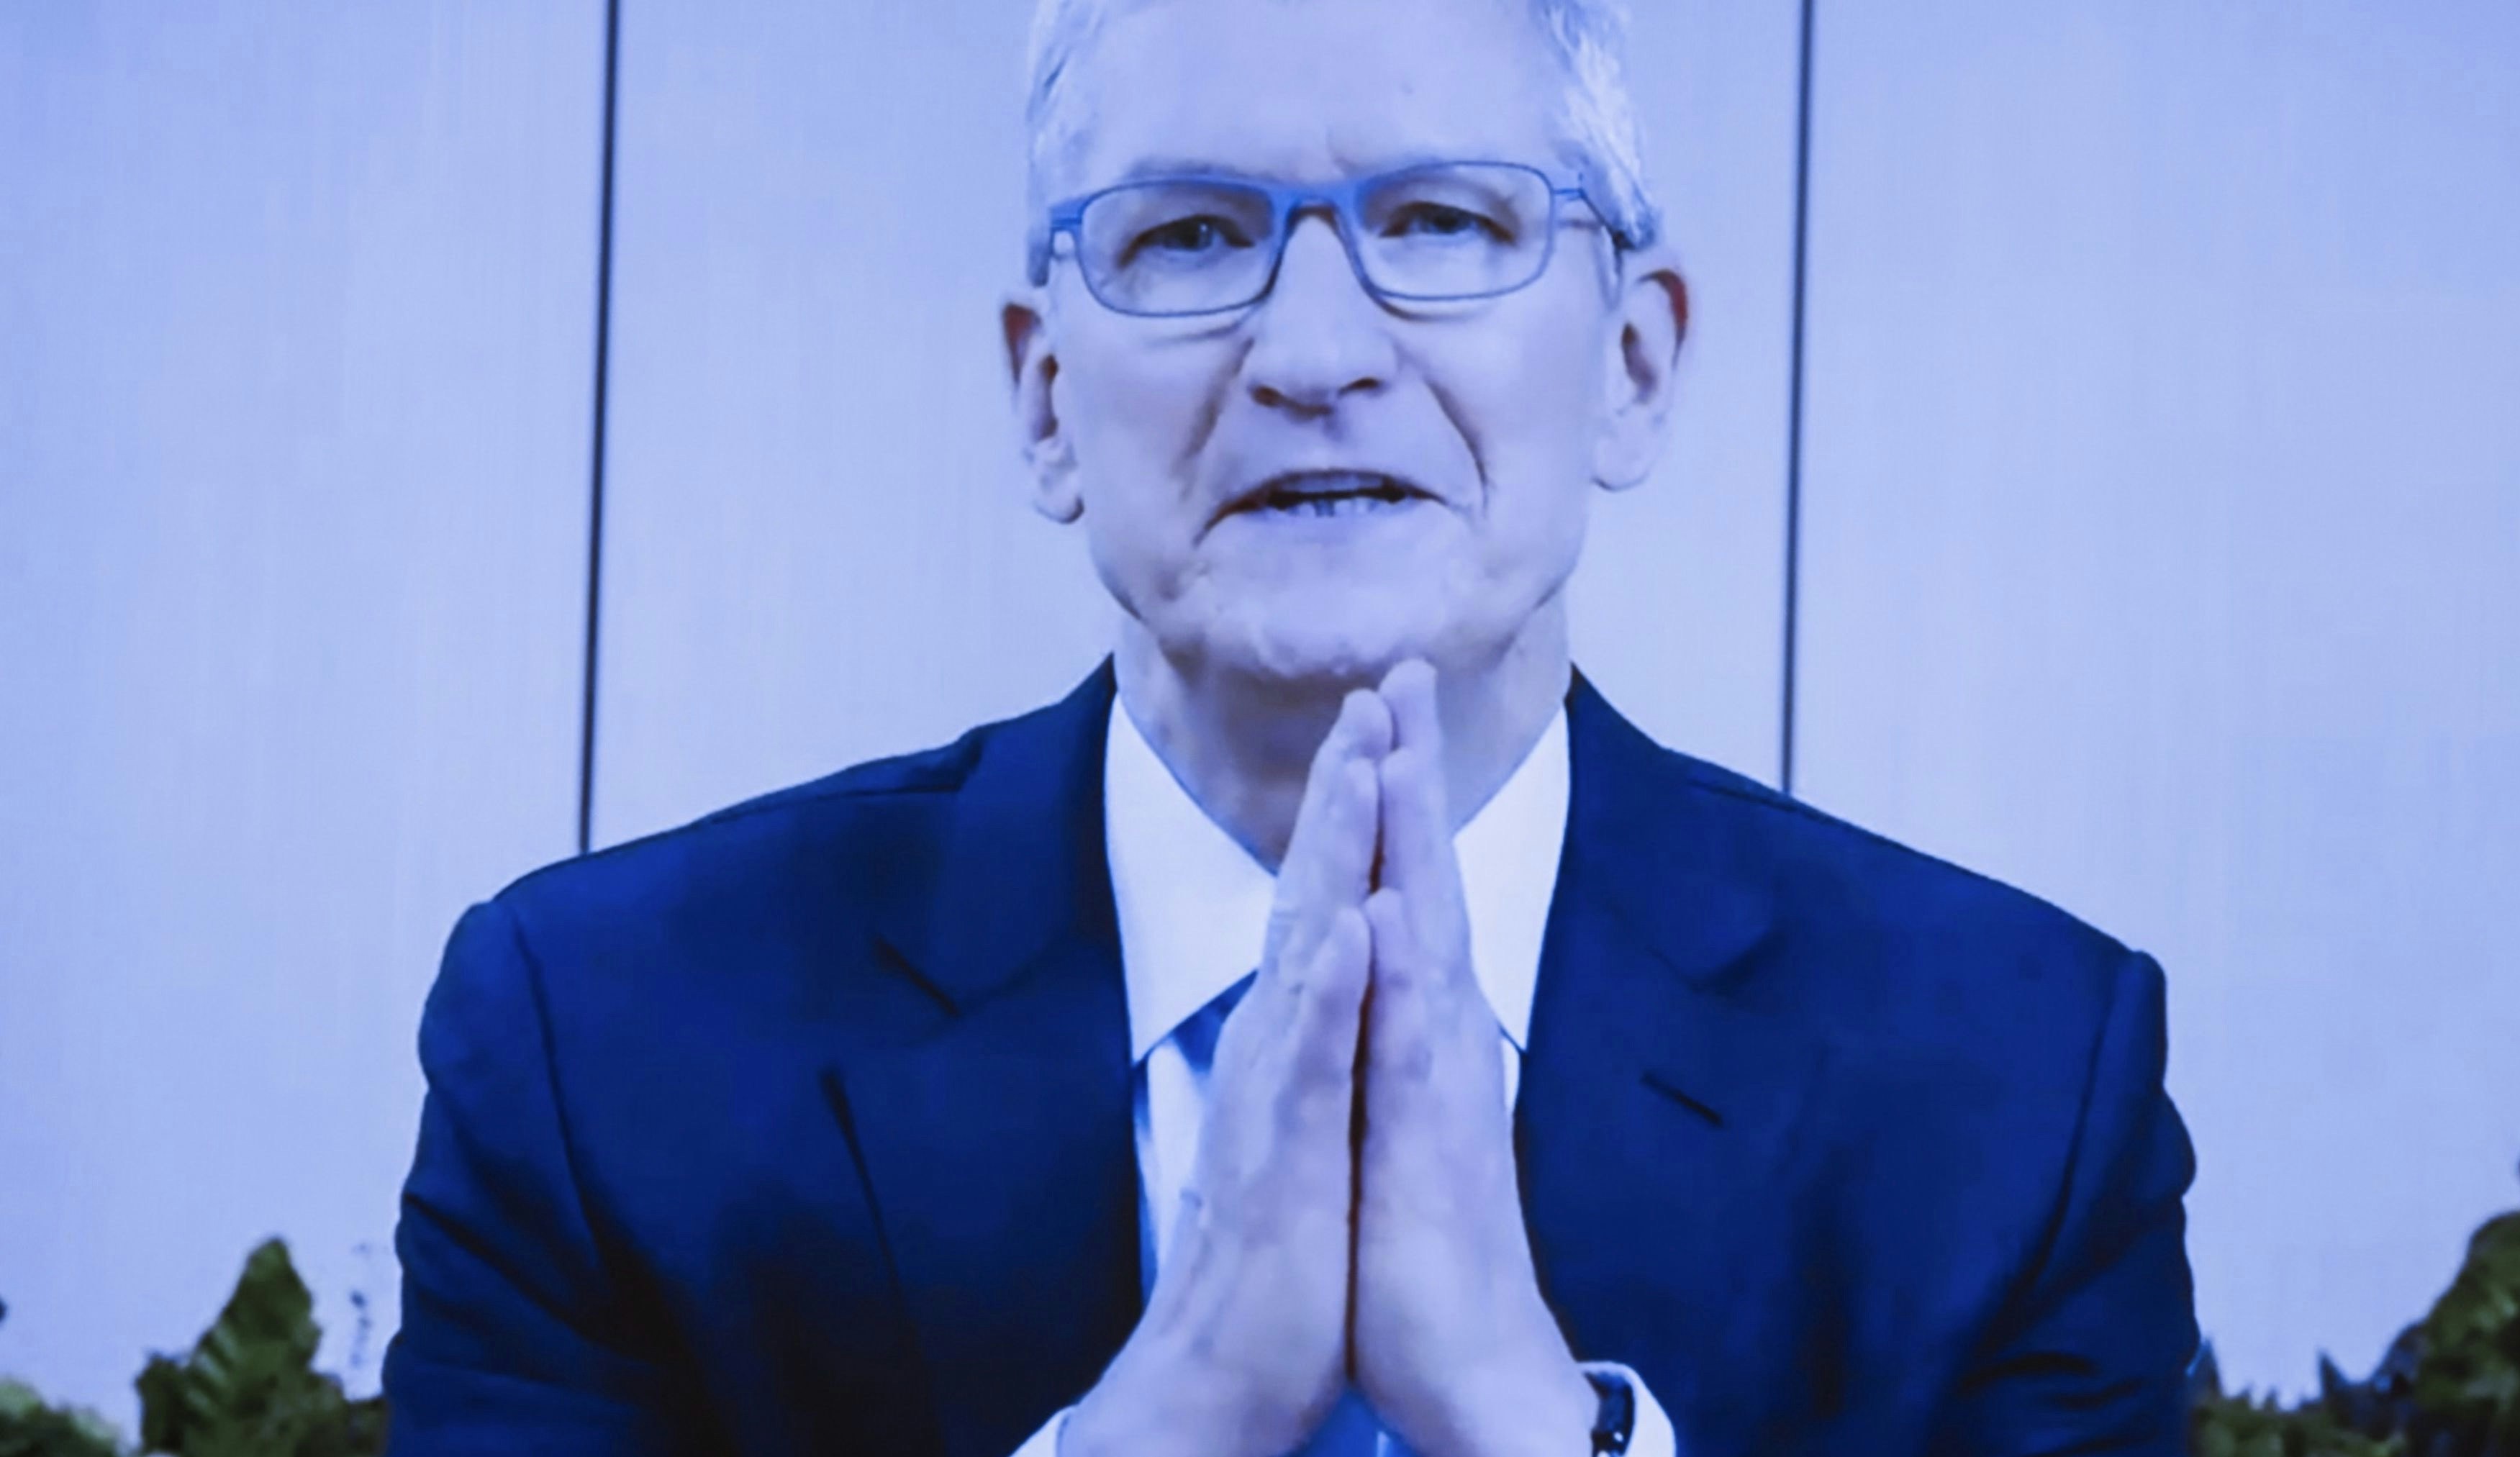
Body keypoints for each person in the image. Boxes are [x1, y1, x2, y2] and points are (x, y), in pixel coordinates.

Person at [384, 0, 2201, 1451]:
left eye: (1440, 222)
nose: (1315, 348)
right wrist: (1175, 1416)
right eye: (1189, 236)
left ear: (1634, 363)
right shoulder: (598, 1050)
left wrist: (1516, 1413)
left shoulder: (2018, 1098)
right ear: (1041, 396)